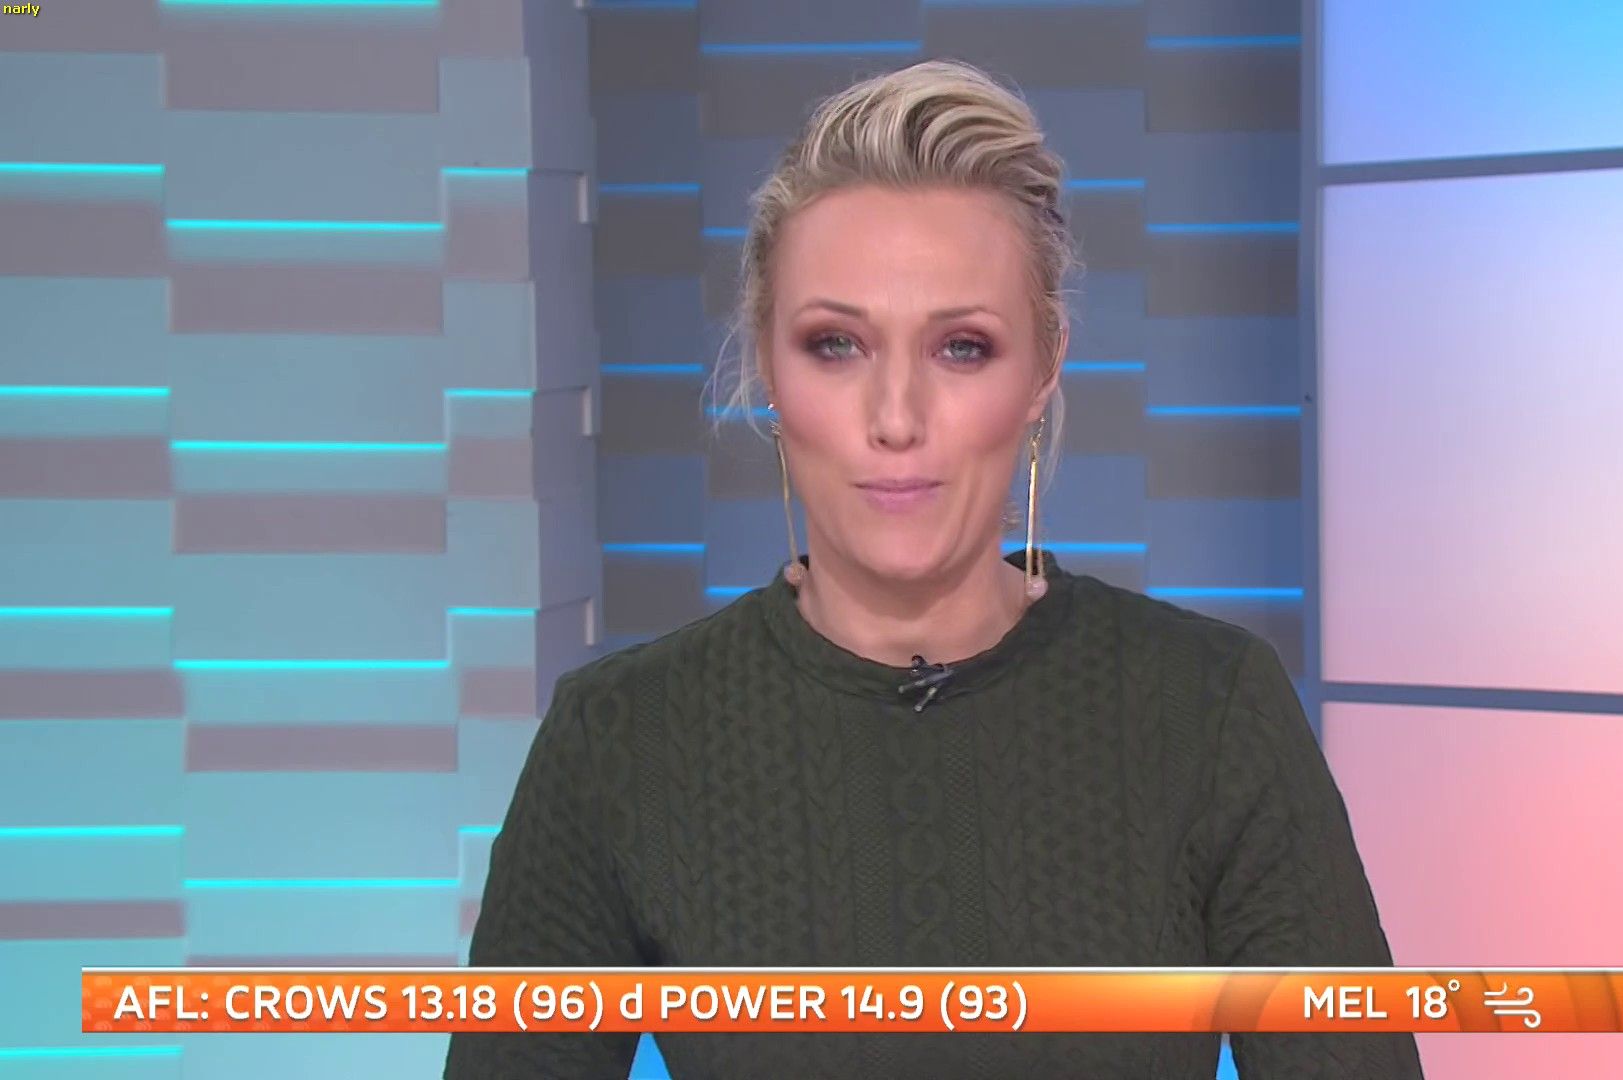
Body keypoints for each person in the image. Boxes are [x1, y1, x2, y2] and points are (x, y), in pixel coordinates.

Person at [445, 58, 1422, 1079]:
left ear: (1044, 368)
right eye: (836, 345)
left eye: (961, 348)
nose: (897, 418)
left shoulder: (1209, 711)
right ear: (768, 365)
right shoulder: (623, 740)